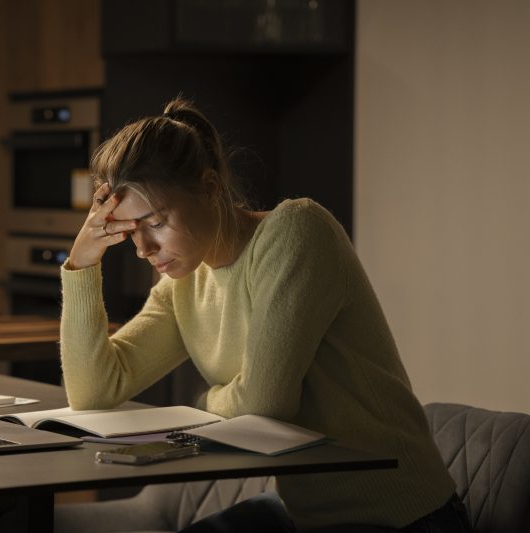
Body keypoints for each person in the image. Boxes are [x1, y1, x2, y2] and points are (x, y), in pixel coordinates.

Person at [58, 97, 470, 532]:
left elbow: (266, 403)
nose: (143, 249)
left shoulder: (295, 231)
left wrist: (200, 405)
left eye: (155, 222)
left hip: (404, 517)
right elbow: (93, 392)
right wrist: (82, 263)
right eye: (129, 230)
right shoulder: (183, 281)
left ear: (211, 187)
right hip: (306, 514)